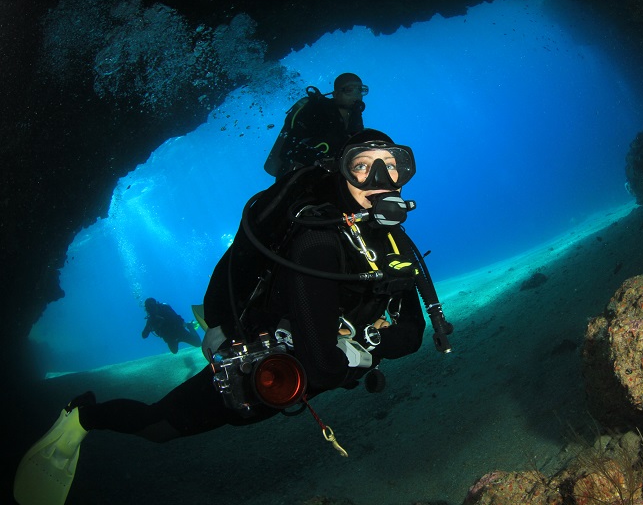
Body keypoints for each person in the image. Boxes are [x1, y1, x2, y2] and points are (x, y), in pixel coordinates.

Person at [14, 129, 453, 505]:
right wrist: (359, 353)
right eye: (363, 166)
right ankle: (82, 417)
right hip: (264, 365)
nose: (381, 178)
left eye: (392, 165)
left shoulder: (394, 244)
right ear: (341, 173)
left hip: (304, 374)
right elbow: (323, 364)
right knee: (160, 427)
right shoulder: (316, 243)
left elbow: (413, 334)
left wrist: (362, 347)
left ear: (405, 170)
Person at [264, 72, 368, 179]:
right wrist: (323, 161)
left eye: (360, 90)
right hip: (296, 179)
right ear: (336, 94)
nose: (357, 95)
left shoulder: (355, 121)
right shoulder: (316, 111)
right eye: (349, 90)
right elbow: (288, 150)